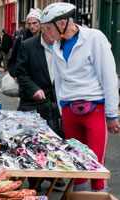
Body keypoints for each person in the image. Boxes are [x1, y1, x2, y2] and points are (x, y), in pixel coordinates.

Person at [41, 2, 120, 192]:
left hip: (95, 108)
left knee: (95, 164)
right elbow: (58, 81)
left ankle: (99, 196)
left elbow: (109, 77)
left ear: (62, 23)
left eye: (49, 28)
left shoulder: (94, 38)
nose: (46, 34)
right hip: (69, 110)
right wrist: (62, 110)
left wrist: (111, 114)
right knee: (76, 163)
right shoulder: (57, 45)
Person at [15, 8, 65, 191]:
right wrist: (34, 88)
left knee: (55, 141)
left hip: (56, 103)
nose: (56, 35)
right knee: (32, 142)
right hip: (33, 103)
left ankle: (54, 177)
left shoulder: (63, 44)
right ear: (44, 29)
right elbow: (21, 72)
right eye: (52, 30)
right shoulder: (28, 45)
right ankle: (34, 182)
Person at [8, 8, 42, 78]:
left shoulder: (46, 39)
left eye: (34, 23)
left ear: (40, 23)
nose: (32, 26)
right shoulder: (21, 40)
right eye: (29, 24)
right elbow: (12, 61)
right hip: (24, 79)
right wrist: (15, 74)